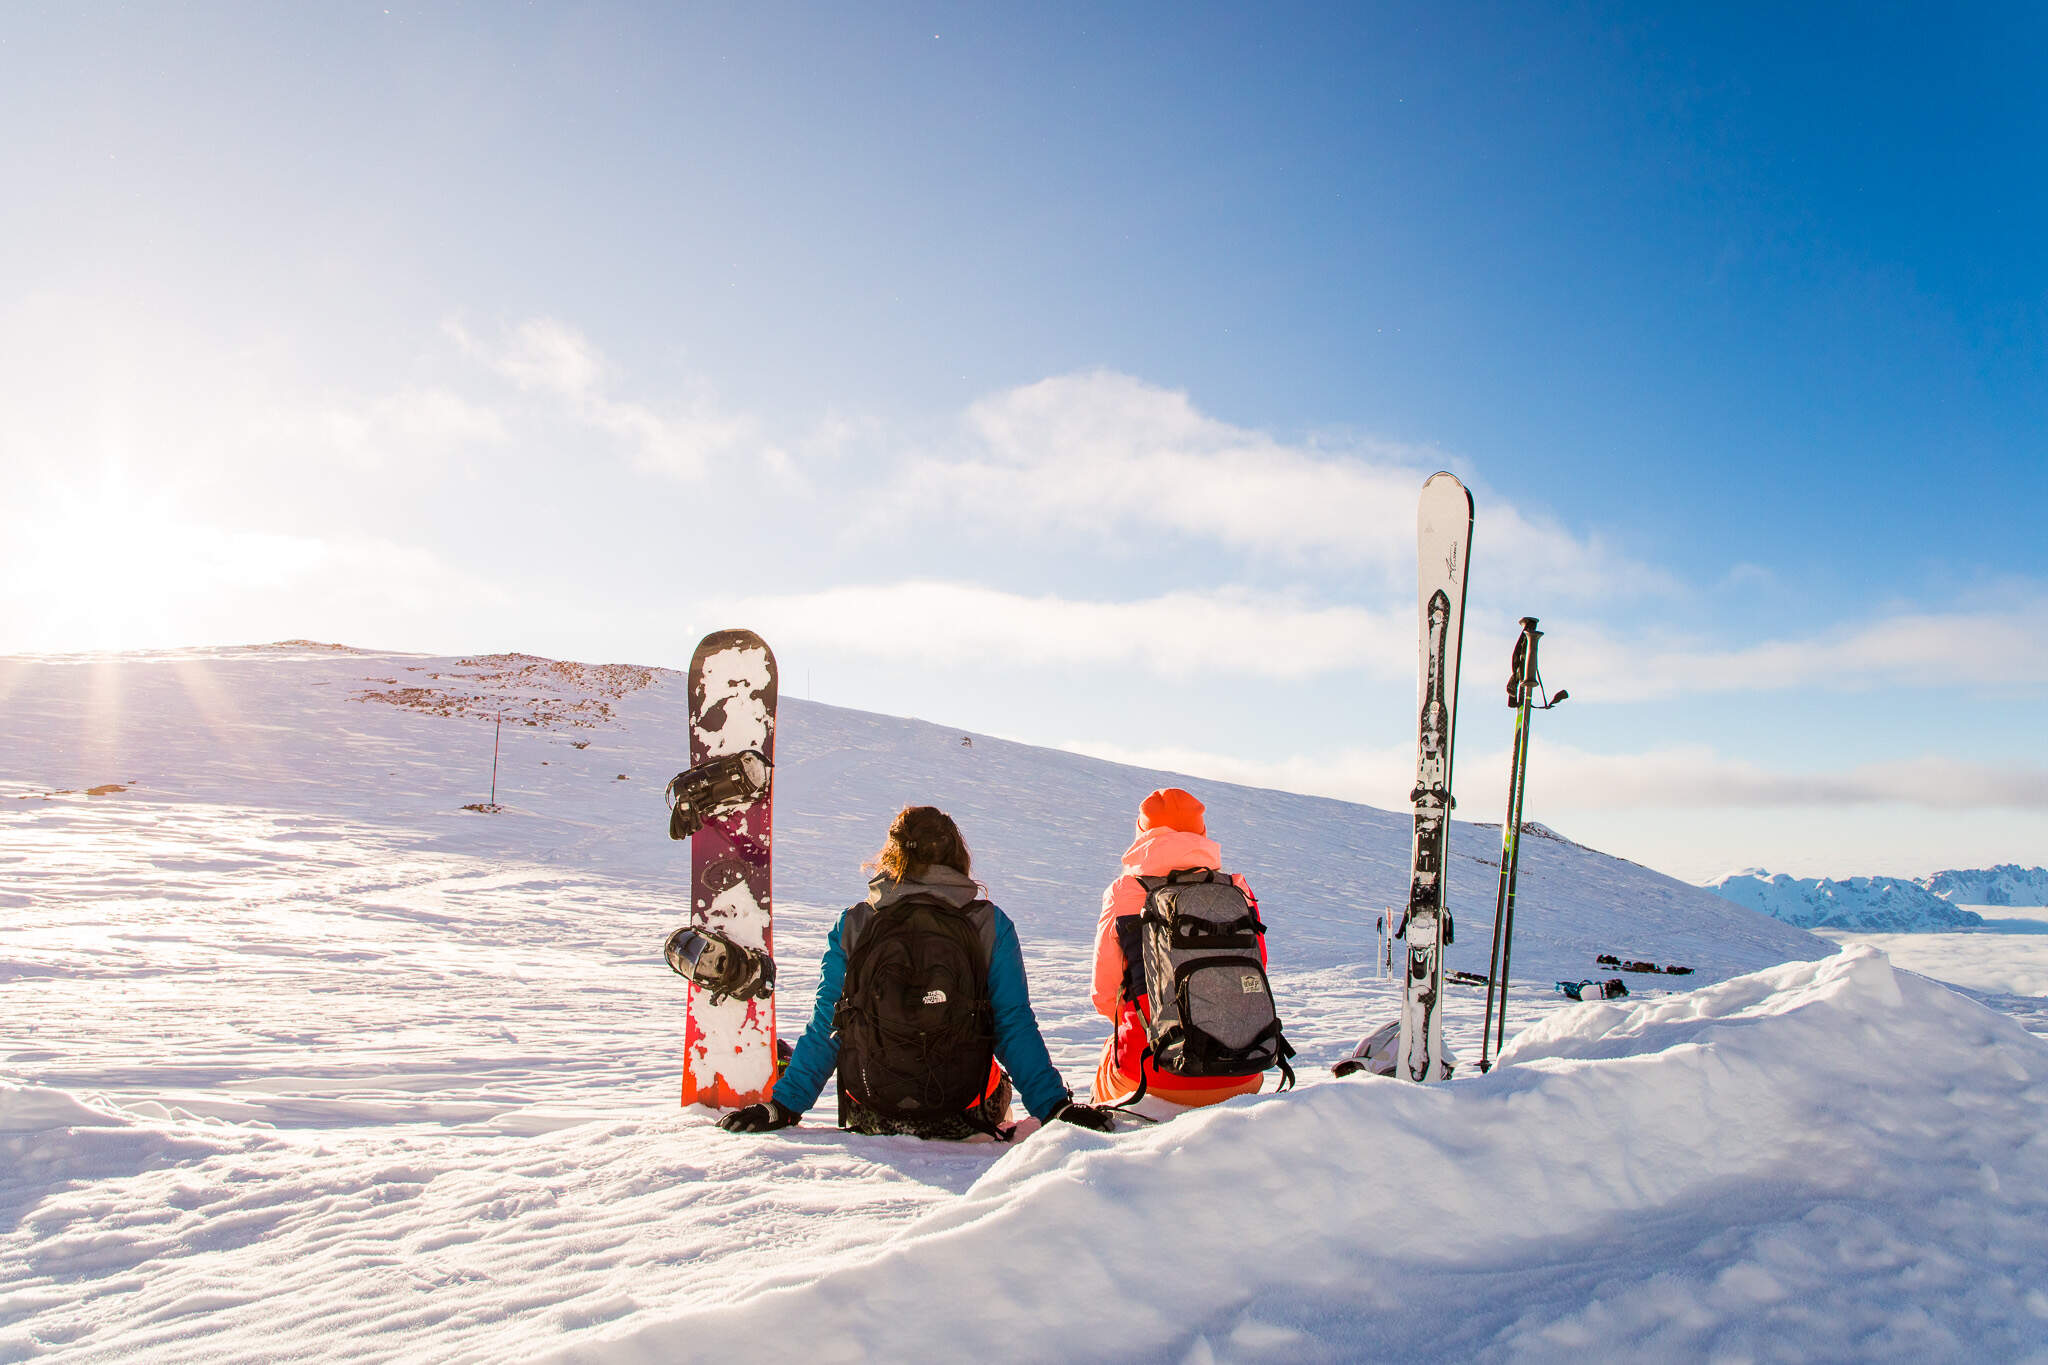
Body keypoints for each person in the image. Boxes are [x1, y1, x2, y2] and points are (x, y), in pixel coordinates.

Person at [720, 805, 1113, 1138]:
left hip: (873, 1110)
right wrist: (1054, 1107)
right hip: (963, 1113)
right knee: (994, 1071)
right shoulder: (989, 924)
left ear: (891, 856)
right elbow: (1013, 1026)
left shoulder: (855, 924)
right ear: (957, 855)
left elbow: (828, 1025)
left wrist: (783, 1108)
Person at [1090, 787, 1270, 1108]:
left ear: (1142, 833)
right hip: (1243, 1069)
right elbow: (1257, 971)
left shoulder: (1124, 893)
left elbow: (1105, 994)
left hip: (1154, 1074)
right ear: (1201, 833)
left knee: (1109, 1062)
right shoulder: (1237, 888)